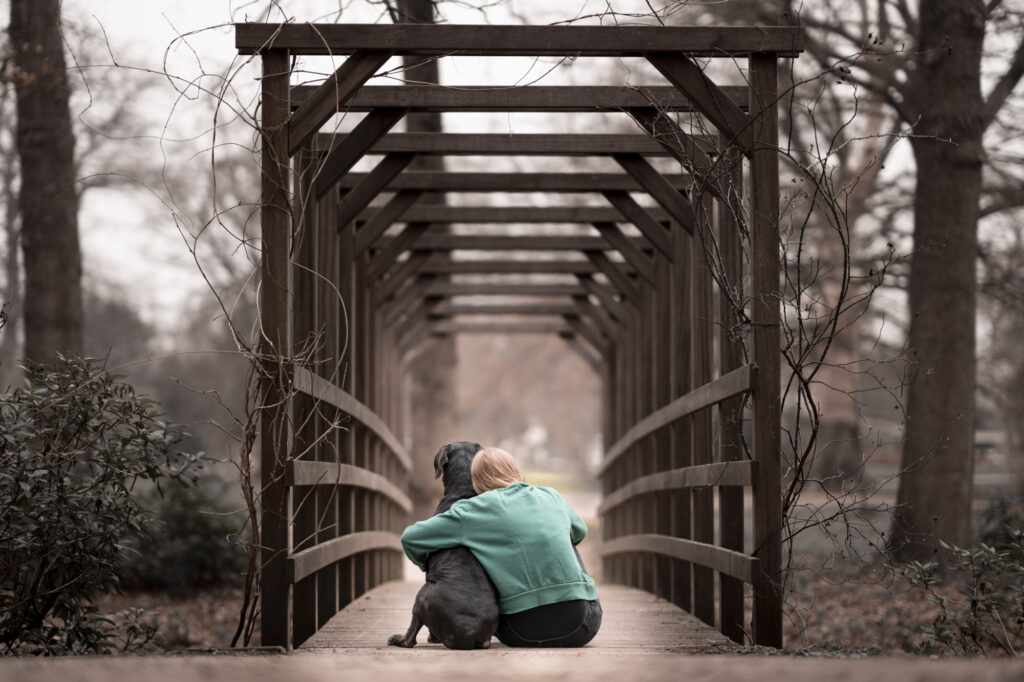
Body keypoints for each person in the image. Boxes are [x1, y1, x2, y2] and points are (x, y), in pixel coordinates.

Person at [400, 446, 602, 648]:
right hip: (582, 627)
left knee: (476, 543)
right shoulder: (551, 496)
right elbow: (579, 532)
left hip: (519, 633)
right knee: (565, 537)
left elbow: (411, 538)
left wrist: (427, 565)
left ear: (476, 481)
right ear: (516, 471)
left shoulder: (471, 511)